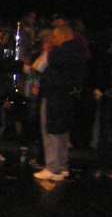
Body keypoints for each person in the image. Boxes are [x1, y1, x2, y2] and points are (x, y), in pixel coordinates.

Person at [30, 23, 88, 180]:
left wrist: (50, 49)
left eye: (55, 36)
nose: (53, 39)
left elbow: (40, 66)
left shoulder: (63, 51)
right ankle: (62, 166)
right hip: (66, 95)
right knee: (62, 132)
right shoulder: (78, 50)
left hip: (55, 94)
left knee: (51, 131)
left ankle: (53, 167)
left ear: (63, 35)